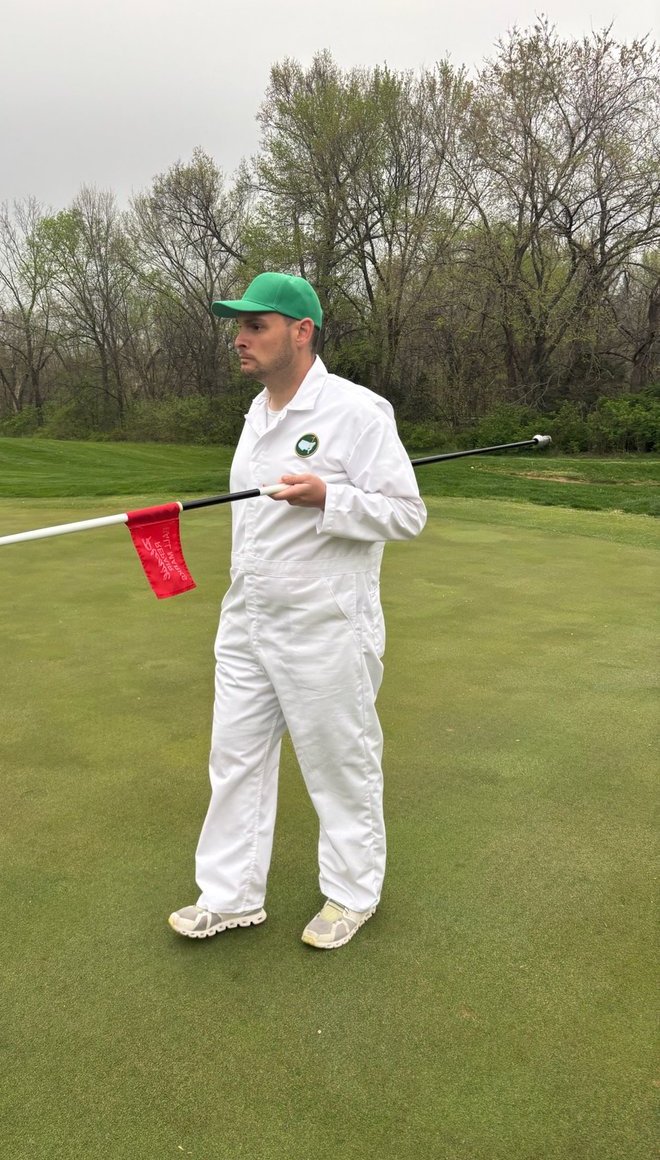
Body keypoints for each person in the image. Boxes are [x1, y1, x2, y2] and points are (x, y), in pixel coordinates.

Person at [168, 272, 427, 949]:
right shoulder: (257, 413)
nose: (240, 338)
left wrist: (330, 501)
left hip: (326, 626)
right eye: (239, 326)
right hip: (248, 618)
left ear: (301, 331)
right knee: (235, 759)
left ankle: (351, 894)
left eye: (256, 325)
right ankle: (229, 896)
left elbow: (407, 514)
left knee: (338, 761)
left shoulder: (357, 411)